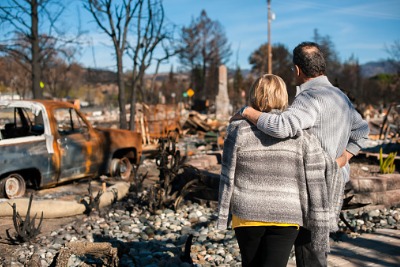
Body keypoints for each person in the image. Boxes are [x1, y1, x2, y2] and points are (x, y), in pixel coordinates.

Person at [240, 42, 370, 267]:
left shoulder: (309, 98)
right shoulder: (340, 97)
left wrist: (248, 112)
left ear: (298, 70)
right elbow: (362, 131)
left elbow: (281, 126)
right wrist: (342, 159)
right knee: (315, 251)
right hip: (333, 182)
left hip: (312, 186)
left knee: (309, 253)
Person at [217, 74, 343, 267]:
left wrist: (223, 213)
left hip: (247, 213)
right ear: (284, 96)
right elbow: (319, 172)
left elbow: (227, 174)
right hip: (287, 214)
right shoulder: (300, 134)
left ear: (254, 95)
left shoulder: (238, 129)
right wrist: (343, 159)